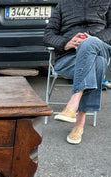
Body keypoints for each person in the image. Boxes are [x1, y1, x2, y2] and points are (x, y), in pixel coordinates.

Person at [43, 0, 111, 144]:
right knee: (97, 64)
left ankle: (73, 104)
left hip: (99, 49)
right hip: (69, 58)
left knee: (90, 44)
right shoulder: (63, 3)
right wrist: (65, 43)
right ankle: (79, 123)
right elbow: (48, 34)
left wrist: (91, 40)